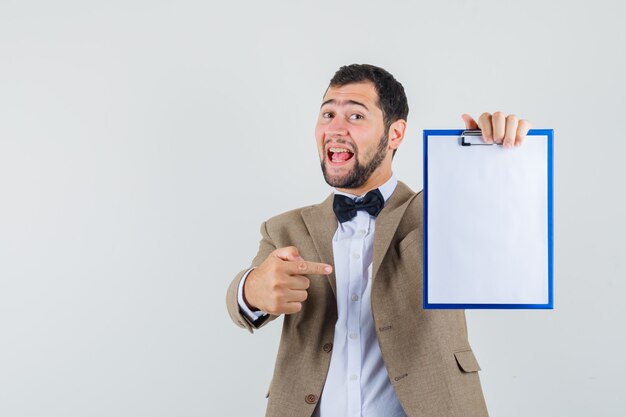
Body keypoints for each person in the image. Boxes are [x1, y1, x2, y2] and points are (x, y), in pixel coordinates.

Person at [226, 64, 531, 417]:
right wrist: (252, 289)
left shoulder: (441, 211)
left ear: (395, 134)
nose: (335, 128)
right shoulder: (285, 228)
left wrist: (496, 156)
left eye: (355, 115)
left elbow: (498, 225)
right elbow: (242, 303)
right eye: (328, 113)